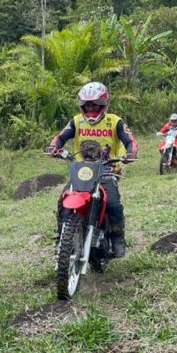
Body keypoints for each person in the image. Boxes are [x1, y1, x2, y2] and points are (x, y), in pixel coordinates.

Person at [46, 82, 138, 258]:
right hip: (82, 171)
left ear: (103, 105)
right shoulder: (76, 121)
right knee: (63, 201)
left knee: (113, 204)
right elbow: (61, 137)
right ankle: (63, 237)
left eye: (94, 105)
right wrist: (53, 147)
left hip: (107, 170)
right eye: (87, 105)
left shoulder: (115, 121)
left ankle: (118, 237)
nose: (90, 109)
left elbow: (130, 140)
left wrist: (131, 153)